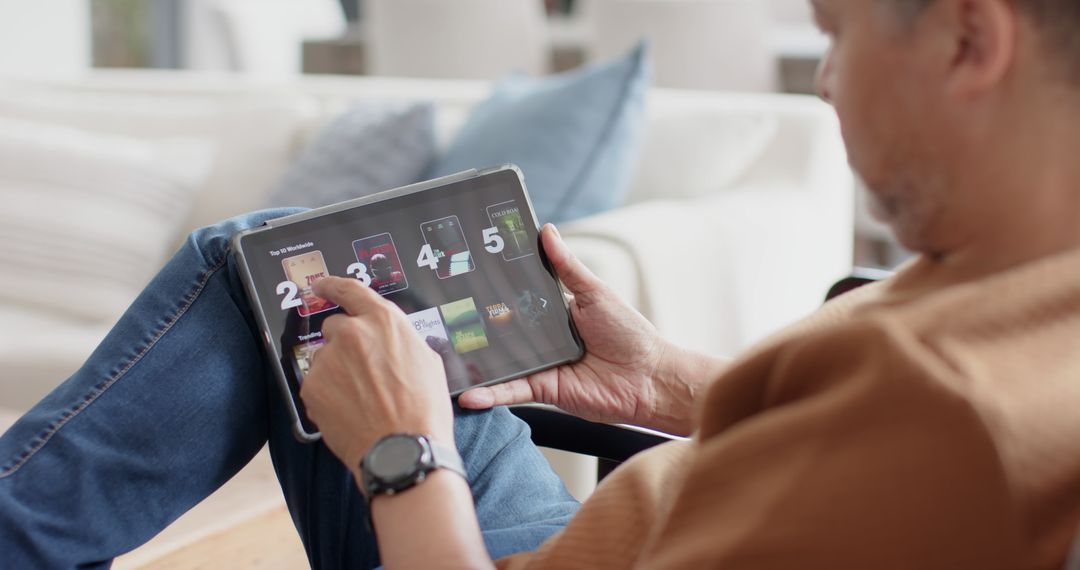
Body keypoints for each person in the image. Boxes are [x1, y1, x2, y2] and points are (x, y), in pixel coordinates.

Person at [3, 0, 1080, 567]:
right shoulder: (1026, 289)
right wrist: (662, 381)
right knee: (301, 265)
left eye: (835, 31)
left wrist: (400, 453)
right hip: (617, 537)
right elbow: (859, 462)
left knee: (274, 281)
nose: (830, 78)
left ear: (969, 38)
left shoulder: (944, 401)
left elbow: (905, 439)